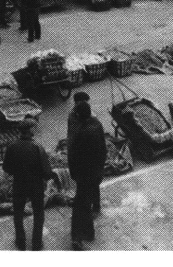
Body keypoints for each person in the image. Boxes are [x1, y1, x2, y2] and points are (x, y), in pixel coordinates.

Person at [2, 118, 55, 251]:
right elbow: (47, 172)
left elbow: (6, 168)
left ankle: (21, 242)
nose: (35, 129)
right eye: (34, 127)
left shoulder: (12, 146)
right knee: (38, 214)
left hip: (19, 183)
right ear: (30, 130)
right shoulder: (37, 147)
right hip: (35, 185)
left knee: (18, 213)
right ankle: (36, 244)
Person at [68, 101, 107, 250]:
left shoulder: (81, 132)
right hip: (96, 172)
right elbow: (103, 150)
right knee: (86, 202)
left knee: (79, 206)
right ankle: (89, 232)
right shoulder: (97, 125)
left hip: (84, 175)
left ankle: (77, 238)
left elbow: (74, 155)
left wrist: (74, 174)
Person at [66, 92, 100, 214]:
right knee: (85, 184)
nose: (88, 104)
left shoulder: (80, 115)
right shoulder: (78, 118)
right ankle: (86, 204)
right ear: (79, 102)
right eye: (85, 102)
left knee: (91, 184)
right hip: (82, 159)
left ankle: (95, 206)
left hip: (86, 160)